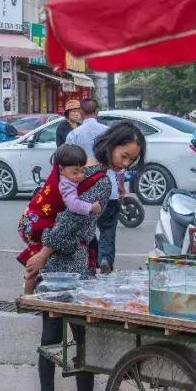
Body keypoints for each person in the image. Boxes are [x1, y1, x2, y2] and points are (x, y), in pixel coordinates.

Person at [26, 122, 145, 391]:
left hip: (53, 265)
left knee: (50, 337)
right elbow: (72, 224)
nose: (125, 163)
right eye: (124, 155)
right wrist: (45, 253)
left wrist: (42, 253)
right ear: (111, 144)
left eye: (131, 160)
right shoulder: (101, 182)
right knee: (83, 340)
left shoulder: (78, 168)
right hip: (70, 265)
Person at [21, 143, 103, 294]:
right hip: (35, 224)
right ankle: (27, 296)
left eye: (83, 171)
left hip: (32, 219)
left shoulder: (61, 176)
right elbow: (73, 205)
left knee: (38, 259)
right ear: (61, 169)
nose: (80, 176)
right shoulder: (66, 185)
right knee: (36, 261)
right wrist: (91, 207)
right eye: (75, 172)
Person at [66, 99, 122, 273]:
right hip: (109, 188)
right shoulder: (109, 133)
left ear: (81, 113)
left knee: (85, 229)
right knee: (107, 229)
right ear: (97, 112)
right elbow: (119, 163)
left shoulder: (74, 135)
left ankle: (92, 259)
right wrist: (121, 185)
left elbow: (67, 162)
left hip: (84, 191)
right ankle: (105, 258)